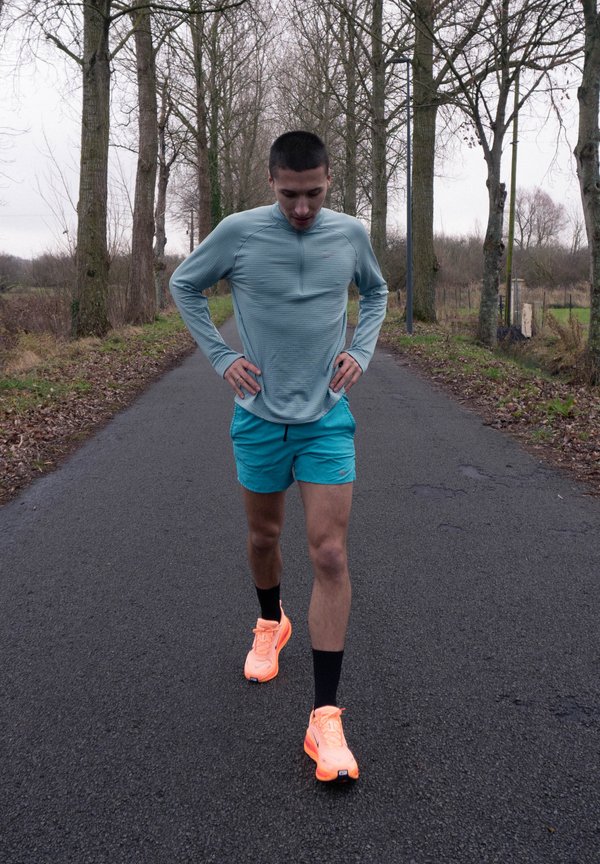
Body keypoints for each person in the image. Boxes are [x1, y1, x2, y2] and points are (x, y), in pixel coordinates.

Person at [170, 131, 388, 783]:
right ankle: (271, 622)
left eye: (314, 194)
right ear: (272, 183)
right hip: (259, 418)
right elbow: (184, 284)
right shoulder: (238, 232)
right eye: (291, 195)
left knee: (329, 553)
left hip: (325, 418)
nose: (302, 208)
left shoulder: (350, 234)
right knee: (264, 537)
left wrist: (362, 349)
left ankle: (325, 720)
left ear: (330, 181)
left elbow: (375, 293)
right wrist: (222, 354)